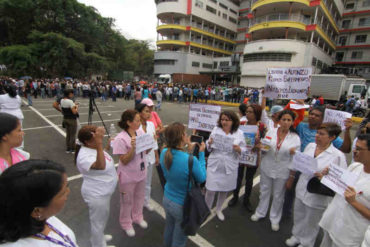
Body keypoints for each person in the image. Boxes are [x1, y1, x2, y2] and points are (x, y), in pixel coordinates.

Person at [285, 123, 347, 247]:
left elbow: (341, 181)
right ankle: (296, 235)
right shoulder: (310, 146)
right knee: (298, 214)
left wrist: (324, 176)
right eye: (317, 133)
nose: (317, 136)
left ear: (332, 137)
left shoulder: (338, 156)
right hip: (302, 187)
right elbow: (302, 162)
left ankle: (307, 242)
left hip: (317, 193)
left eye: (322, 134)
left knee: (311, 221)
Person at [0, 159, 77, 247]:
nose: (68, 191)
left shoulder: (43, 217)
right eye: (62, 193)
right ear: (37, 211)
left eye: (68, 186)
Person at [251, 110, 300, 231]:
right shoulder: (271, 132)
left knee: (278, 195)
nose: (286, 122)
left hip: (283, 170)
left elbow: (295, 160)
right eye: (284, 119)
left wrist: (292, 176)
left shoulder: (295, 138)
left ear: (292, 122)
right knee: (264, 191)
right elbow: (265, 147)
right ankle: (260, 212)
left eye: (289, 120)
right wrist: (260, 147)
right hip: (267, 166)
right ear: (279, 120)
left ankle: (274, 218)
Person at [319, 134, 370, 247]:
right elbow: (340, 187)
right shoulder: (355, 166)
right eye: (355, 147)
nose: (355, 151)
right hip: (333, 222)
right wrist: (329, 176)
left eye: (359, 149)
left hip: (350, 233)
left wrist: (354, 202)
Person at [160, 123, 206, 247]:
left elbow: (177, 161)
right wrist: (200, 154)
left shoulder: (164, 152)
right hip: (182, 204)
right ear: (181, 138)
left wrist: (188, 152)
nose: (187, 135)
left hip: (167, 198)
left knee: (169, 228)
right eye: (185, 133)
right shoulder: (190, 160)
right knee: (179, 240)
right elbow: (202, 178)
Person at [75, 126, 118, 247]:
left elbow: (100, 155)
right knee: (97, 222)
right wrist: (100, 144)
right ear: (87, 142)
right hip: (97, 194)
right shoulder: (83, 156)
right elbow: (100, 165)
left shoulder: (93, 148)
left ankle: (98, 237)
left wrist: (106, 147)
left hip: (104, 192)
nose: (100, 138)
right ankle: (98, 244)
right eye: (96, 137)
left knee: (102, 219)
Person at [111, 109, 148, 237]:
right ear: (128, 122)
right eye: (137, 120)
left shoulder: (140, 131)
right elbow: (124, 160)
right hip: (127, 175)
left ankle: (138, 217)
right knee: (126, 201)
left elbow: (146, 151)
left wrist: (150, 142)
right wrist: (133, 148)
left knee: (139, 196)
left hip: (141, 172)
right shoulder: (120, 139)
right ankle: (126, 222)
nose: (139, 122)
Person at [206, 111, 246, 221]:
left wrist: (239, 149)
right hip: (215, 163)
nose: (224, 122)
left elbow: (244, 149)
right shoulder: (216, 130)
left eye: (227, 120)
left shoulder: (239, 133)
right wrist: (209, 143)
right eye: (222, 119)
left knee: (224, 189)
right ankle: (206, 209)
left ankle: (218, 209)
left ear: (233, 121)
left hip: (230, 164)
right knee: (210, 189)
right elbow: (209, 146)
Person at [229, 104, 266, 211]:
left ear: (256, 114)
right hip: (240, 154)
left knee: (249, 180)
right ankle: (235, 197)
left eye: (250, 112)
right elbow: (234, 136)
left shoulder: (262, 127)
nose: (247, 114)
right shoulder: (241, 124)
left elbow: (266, 142)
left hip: (253, 156)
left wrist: (260, 145)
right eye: (247, 111)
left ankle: (246, 200)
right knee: (238, 177)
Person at [135, 103, 159, 211]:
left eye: (149, 111)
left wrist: (157, 156)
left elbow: (155, 142)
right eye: (146, 111)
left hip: (150, 158)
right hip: (138, 159)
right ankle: (137, 202)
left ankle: (146, 201)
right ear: (139, 113)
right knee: (138, 182)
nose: (149, 113)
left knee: (148, 182)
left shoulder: (151, 125)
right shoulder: (135, 127)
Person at [61, 89, 79, 153]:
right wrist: (76, 106)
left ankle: (68, 148)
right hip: (72, 119)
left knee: (68, 134)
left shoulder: (62, 100)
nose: (72, 95)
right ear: (69, 94)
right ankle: (72, 148)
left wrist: (73, 104)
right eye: (72, 93)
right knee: (72, 135)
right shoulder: (70, 101)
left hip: (65, 118)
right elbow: (74, 112)